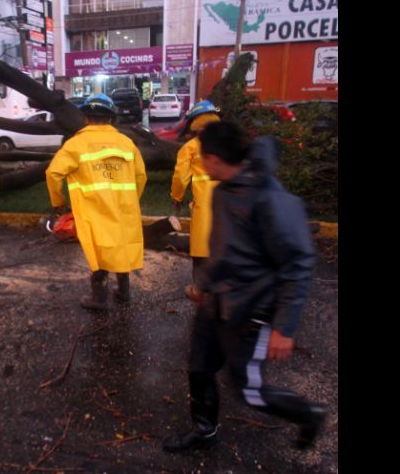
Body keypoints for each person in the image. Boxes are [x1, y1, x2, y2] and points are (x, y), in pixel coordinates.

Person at [162, 121, 325, 453]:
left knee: (249, 390)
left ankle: (310, 414)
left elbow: (298, 263)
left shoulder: (270, 199)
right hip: (216, 302)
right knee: (200, 368)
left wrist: (284, 326)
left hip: (251, 312)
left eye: (202, 157)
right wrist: (204, 287)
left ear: (215, 158)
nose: (201, 164)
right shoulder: (223, 191)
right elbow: (221, 249)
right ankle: (204, 432)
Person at [46, 94, 147, 311]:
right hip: (123, 208)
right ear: (111, 119)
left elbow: (53, 173)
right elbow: (141, 176)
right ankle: (124, 292)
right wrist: (131, 200)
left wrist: (58, 202)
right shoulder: (126, 143)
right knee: (121, 246)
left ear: (86, 118)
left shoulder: (76, 144)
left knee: (99, 250)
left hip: (94, 209)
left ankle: (99, 299)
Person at [169, 100, 221, 296]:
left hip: (205, 203)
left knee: (201, 248)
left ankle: (199, 289)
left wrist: (177, 196)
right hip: (233, 200)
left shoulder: (190, 147)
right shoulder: (228, 143)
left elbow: (180, 177)